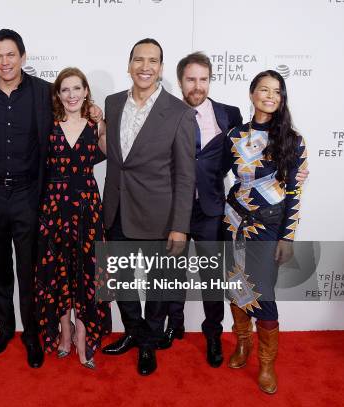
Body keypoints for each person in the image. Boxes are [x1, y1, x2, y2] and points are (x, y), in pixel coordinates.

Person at [100, 39, 197, 376]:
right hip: (115, 210)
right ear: (128, 65)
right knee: (121, 283)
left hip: (160, 217)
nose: (145, 67)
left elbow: (186, 176)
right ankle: (133, 332)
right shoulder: (112, 104)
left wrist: (180, 226)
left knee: (159, 287)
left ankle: (149, 343)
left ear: (161, 67)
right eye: (138, 60)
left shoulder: (180, 113)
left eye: (152, 61)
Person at [0, 29, 53, 368]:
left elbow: (72, 114)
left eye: (10, 55)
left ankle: (31, 334)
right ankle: (5, 328)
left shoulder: (44, 93)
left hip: (28, 194)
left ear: (22, 56)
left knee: (29, 270)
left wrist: (92, 111)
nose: (4, 62)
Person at [155, 52, 243, 366]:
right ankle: (173, 325)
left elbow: (248, 159)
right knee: (172, 273)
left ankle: (213, 335)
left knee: (211, 278)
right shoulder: (165, 114)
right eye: (191, 79)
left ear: (209, 80)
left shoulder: (229, 115)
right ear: (180, 81)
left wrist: (288, 168)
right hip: (173, 208)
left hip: (210, 209)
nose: (197, 86)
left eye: (203, 79)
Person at [223, 70, 307, 394]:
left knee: (263, 294)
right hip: (232, 221)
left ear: (281, 98)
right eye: (263, 89)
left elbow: (295, 195)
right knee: (234, 286)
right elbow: (214, 173)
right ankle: (242, 343)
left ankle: (267, 363)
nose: (269, 96)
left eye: (276, 91)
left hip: (267, 226)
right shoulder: (233, 135)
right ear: (252, 93)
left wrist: (287, 236)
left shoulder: (291, 139)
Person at [35, 67, 111, 369]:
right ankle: (64, 331)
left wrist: (101, 121)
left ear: (86, 91)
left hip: (87, 207)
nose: (71, 95)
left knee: (86, 272)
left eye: (77, 88)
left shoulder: (95, 125)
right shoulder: (48, 125)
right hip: (53, 207)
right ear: (58, 94)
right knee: (58, 270)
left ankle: (83, 335)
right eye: (65, 89)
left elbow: (110, 153)